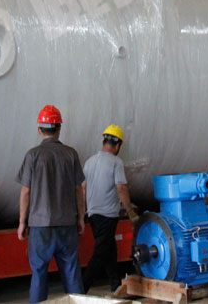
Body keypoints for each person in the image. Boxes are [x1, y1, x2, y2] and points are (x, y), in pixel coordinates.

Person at [16, 105, 86, 304]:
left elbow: (26, 191)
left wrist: (22, 222)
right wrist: (81, 218)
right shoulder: (71, 154)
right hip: (67, 224)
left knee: (39, 274)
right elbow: (78, 189)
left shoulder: (33, 155)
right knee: (72, 274)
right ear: (59, 129)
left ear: (39, 130)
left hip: (40, 227)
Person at [82, 124, 138, 293]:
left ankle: (115, 283)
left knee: (109, 248)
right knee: (101, 252)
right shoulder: (116, 162)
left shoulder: (90, 162)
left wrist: (83, 210)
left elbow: (83, 187)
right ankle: (81, 287)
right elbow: (121, 188)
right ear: (118, 145)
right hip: (108, 215)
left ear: (103, 141)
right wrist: (130, 212)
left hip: (93, 214)